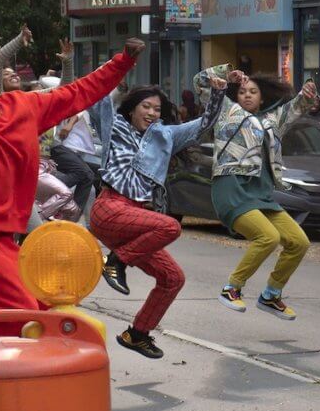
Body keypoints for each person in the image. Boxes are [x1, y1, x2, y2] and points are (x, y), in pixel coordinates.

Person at [0, 38, 142, 337]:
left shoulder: (23, 106)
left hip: (4, 234)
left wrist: (122, 61)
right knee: (22, 309)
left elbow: (78, 92)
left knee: (42, 304)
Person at [91, 75, 227, 358]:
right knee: (170, 226)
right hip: (110, 209)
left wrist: (217, 92)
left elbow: (204, 125)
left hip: (137, 222)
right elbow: (97, 96)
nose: (152, 113)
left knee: (172, 278)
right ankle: (114, 261)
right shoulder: (115, 125)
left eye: (157, 109)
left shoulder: (165, 135)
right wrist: (124, 62)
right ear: (132, 109)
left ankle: (137, 334)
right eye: (146, 107)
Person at [196, 65, 316, 320]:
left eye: (253, 91)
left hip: (261, 195)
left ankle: (271, 294)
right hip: (231, 188)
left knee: (299, 242)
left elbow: (297, 107)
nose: (247, 95)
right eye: (242, 92)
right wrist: (227, 75)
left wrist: (307, 93)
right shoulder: (226, 110)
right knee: (268, 238)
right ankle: (232, 288)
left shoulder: (272, 121)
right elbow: (200, 81)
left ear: (262, 98)